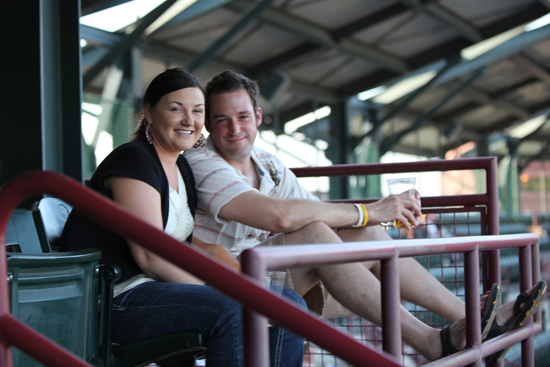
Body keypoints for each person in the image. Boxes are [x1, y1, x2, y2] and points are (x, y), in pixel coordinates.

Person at [185, 69, 547, 362]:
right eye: (222, 120)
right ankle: (430, 342)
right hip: (226, 282)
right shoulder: (203, 162)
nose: (234, 129)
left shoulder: (268, 163)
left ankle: (468, 320)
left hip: (274, 276)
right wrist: (370, 210)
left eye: (243, 117)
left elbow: (317, 212)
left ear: (258, 117)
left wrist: (370, 219)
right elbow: (280, 217)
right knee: (316, 234)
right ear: (208, 126)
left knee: (368, 234)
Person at [60, 68, 306, 367]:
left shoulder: (182, 168)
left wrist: (236, 279)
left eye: (197, 111)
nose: (189, 120)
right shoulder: (134, 160)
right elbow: (151, 256)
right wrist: (219, 290)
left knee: (290, 304)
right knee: (232, 310)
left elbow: (186, 245)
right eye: (176, 109)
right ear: (149, 113)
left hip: (158, 289)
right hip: (115, 300)